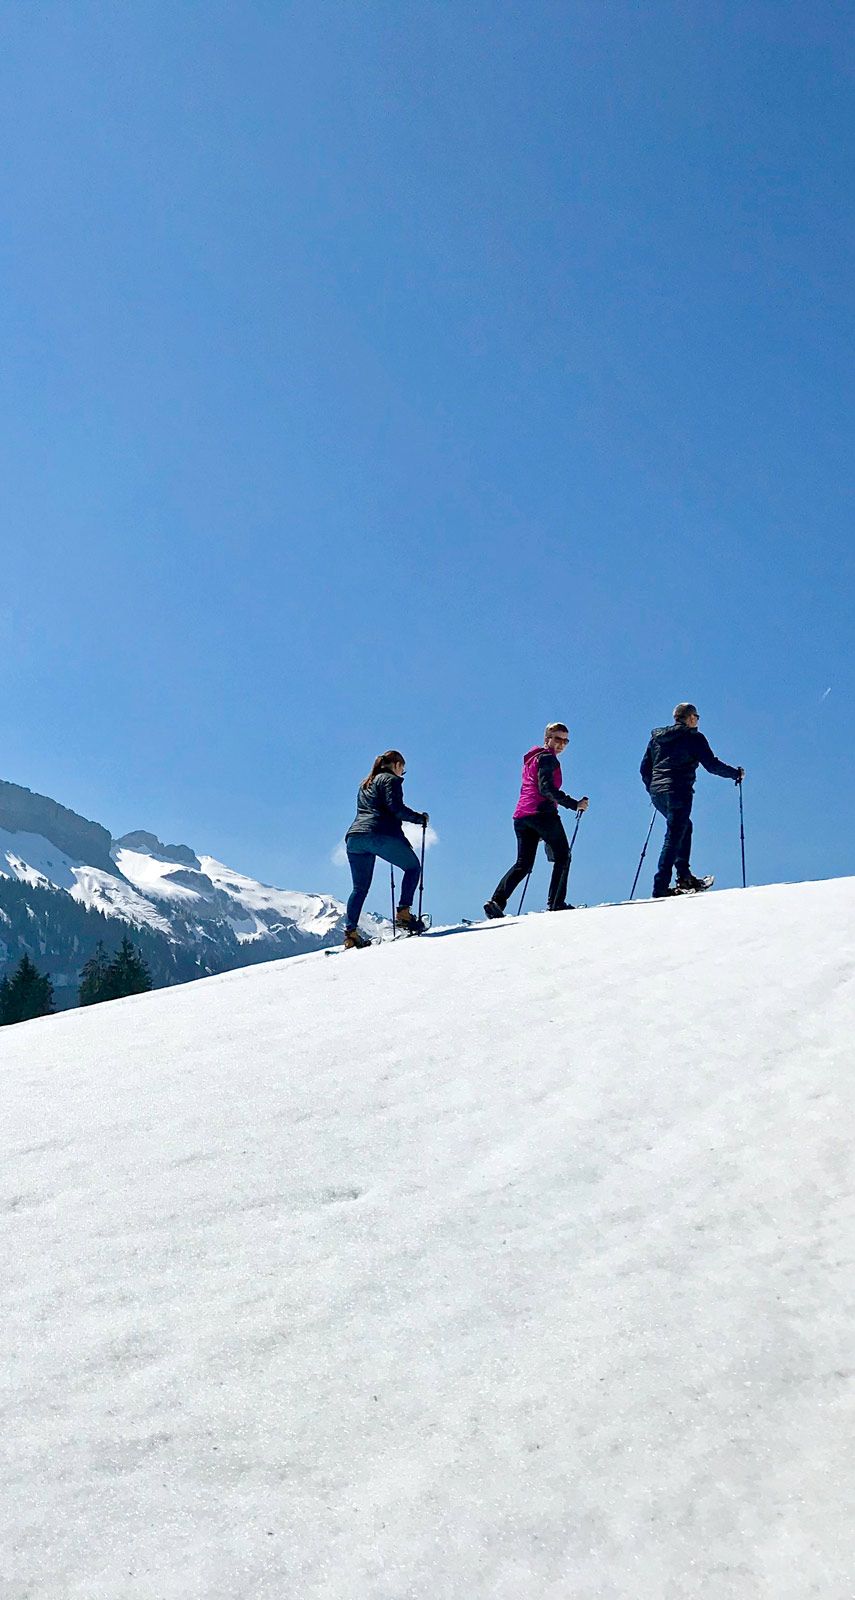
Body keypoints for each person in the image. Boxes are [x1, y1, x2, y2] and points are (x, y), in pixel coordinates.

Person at [484, 722, 589, 918]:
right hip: (542, 814)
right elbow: (546, 788)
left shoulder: (532, 759)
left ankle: (496, 902)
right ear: (547, 738)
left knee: (523, 864)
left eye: (566, 741)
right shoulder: (548, 759)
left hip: (522, 816)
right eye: (557, 739)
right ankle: (556, 903)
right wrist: (574, 804)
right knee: (563, 856)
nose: (561, 744)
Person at [640, 703, 744, 898]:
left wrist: (652, 788)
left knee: (684, 827)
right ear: (690, 718)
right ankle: (660, 887)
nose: (697, 720)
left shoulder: (657, 739)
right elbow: (711, 765)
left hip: (658, 794)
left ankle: (684, 876)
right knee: (673, 835)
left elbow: (644, 768)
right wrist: (735, 773)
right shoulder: (694, 737)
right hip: (679, 791)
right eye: (696, 716)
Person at [343, 750, 429, 948]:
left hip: (354, 837)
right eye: (403, 770)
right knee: (412, 867)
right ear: (397, 764)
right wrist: (419, 818)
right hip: (377, 834)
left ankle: (351, 934)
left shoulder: (365, 783)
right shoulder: (391, 780)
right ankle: (404, 913)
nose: (402, 774)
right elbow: (395, 809)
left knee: (359, 888)